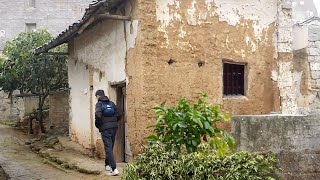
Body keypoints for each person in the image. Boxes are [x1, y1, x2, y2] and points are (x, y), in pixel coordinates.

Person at [95, 90, 121, 176]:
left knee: (108, 147)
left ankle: (114, 169)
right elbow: (119, 114)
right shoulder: (111, 103)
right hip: (114, 127)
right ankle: (107, 165)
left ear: (98, 96)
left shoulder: (99, 104)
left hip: (105, 129)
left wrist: (99, 125)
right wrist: (113, 122)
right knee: (110, 147)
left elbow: (98, 115)